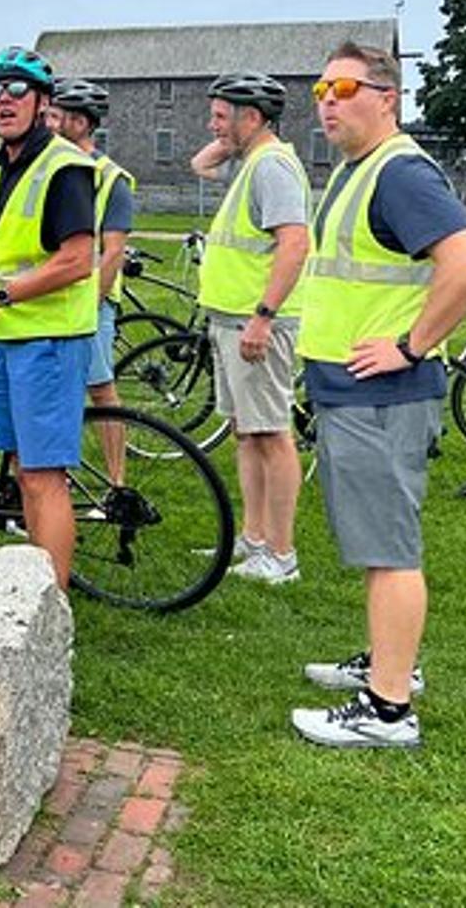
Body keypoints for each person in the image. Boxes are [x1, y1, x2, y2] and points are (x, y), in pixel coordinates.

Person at [291, 41, 466, 749]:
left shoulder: (398, 172)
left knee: (389, 548)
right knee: (378, 541)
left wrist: (410, 344)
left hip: (382, 392)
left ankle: (388, 708)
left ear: (387, 96)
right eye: (321, 88)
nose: (328, 100)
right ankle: (387, 662)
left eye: (344, 86)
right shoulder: (360, 169)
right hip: (353, 390)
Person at [0, 46, 98, 589]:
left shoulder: (64, 167)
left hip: (48, 340)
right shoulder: (2, 166)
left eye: (16, 91)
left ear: (42, 101)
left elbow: (78, 260)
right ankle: (38, 589)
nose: (3, 102)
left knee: (43, 478)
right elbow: (17, 240)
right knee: (23, 474)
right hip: (12, 337)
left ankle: (52, 608)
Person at [190, 72, 312, 586]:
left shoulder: (273, 168)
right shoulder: (253, 162)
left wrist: (263, 316)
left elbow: (294, 243)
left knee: (271, 434)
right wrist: (227, 139)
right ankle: (254, 539)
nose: (212, 125)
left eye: (222, 115)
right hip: (233, 320)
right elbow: (200, 165)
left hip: (254, 322)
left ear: (254, 117)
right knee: (248, 432)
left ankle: (280, 555)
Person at [47, 79, 134, 484]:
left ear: (80, 123)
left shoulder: (111, 178)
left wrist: (91, 302)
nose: (48, 121)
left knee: (101, 392)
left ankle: (117, 482)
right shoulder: (50, 167)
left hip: (91, 302)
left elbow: (113, 251)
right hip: (51, 298)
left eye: (56, 115)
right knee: (55, 393)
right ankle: (54, 476)